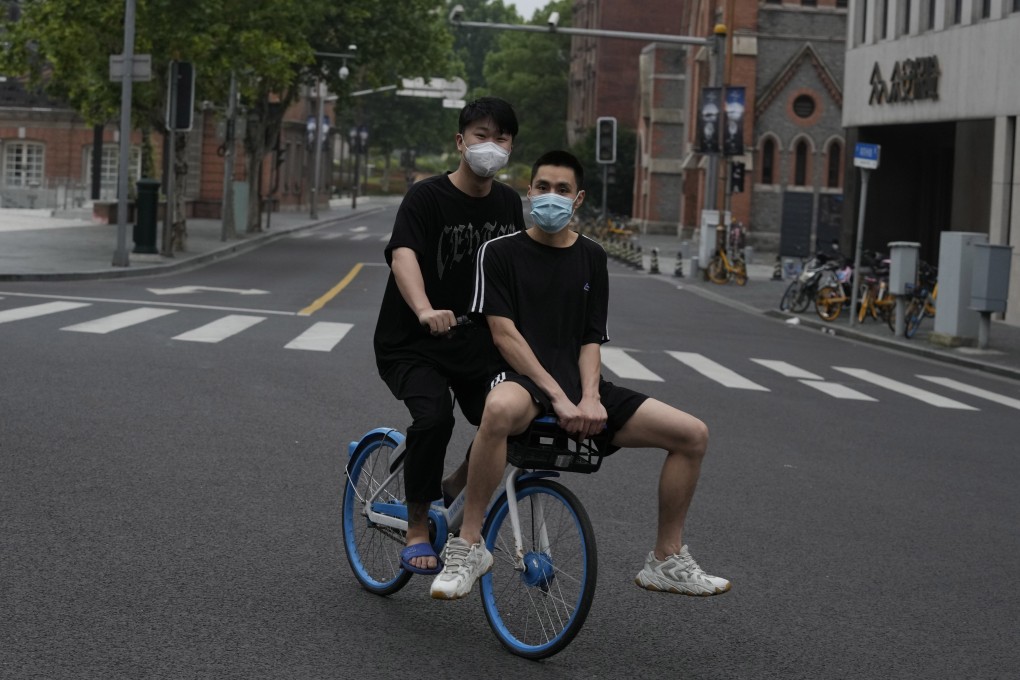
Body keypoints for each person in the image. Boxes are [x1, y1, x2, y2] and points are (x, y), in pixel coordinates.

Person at [430, 150, 731, 600]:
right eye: (544, 187)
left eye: (563, 190)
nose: (552, 196)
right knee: (498, 409)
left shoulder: (592, 256)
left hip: (579, 387)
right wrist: (557, 397)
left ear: (579, 199)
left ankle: (666, 559)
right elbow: (504, 334)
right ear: (529, 192)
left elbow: (592, 339)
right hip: (523, 380)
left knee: (692, 434)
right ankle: (469, 545)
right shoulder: (500, 253)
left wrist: (590, 397)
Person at [373, 97, 526, 575]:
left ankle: (457, 481)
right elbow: (404, 256)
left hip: (474, 344)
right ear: (460, 142)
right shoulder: (426, 197)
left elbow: (516, 276)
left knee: (511, 419)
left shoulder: (508, 204)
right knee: (435, 417)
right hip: (412, 341)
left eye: (501, 138)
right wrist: (423, 309)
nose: (491, 146)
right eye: (481, 135)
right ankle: (417, 525)